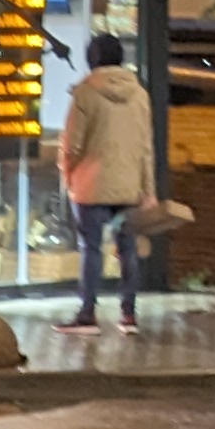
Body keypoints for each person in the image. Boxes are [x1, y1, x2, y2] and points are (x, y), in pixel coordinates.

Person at [58, 31, 156, 330]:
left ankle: (87, 313)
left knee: (91, 248)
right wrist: (148, 189)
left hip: (91, 184)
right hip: (128, 186)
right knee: (127, 249)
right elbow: (145, 146)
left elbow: (72, 144)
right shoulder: (140, 94)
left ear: (92, 58)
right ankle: (129, 314)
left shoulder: (86, 93)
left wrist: (68, 172)